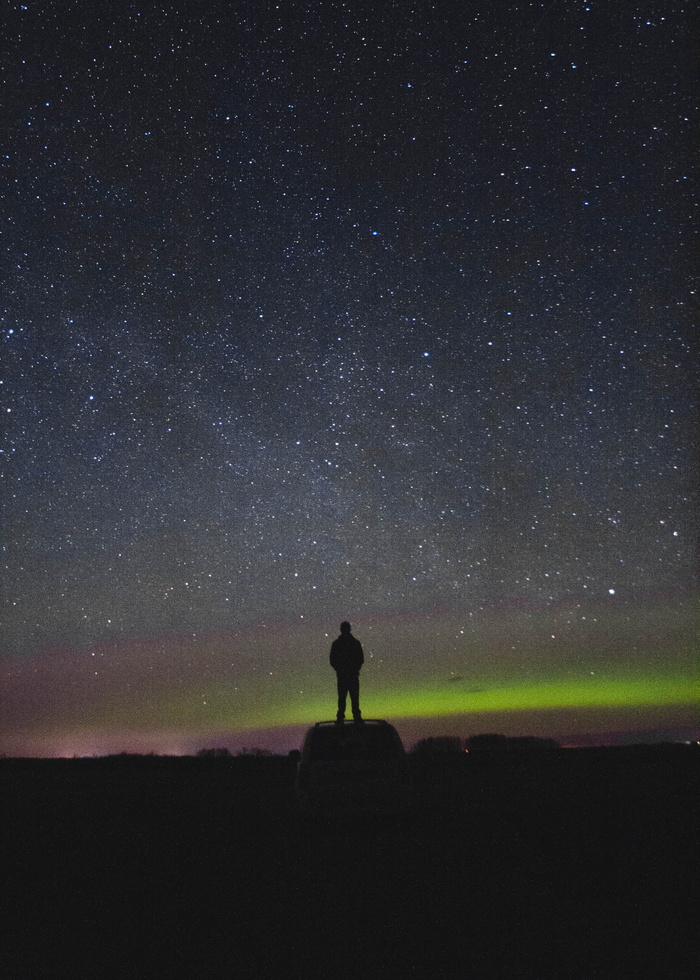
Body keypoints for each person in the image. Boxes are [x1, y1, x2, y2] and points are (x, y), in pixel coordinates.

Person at [329, 621, 364, 725]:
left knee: (345, 697)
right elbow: (360, 659)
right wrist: (353, 669)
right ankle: (354, 717)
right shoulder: (355, 643)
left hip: (345, 675)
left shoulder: (337, 644)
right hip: (349, 675)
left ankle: (342, 717)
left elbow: (333, 660)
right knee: (351, 697)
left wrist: (340, 669)